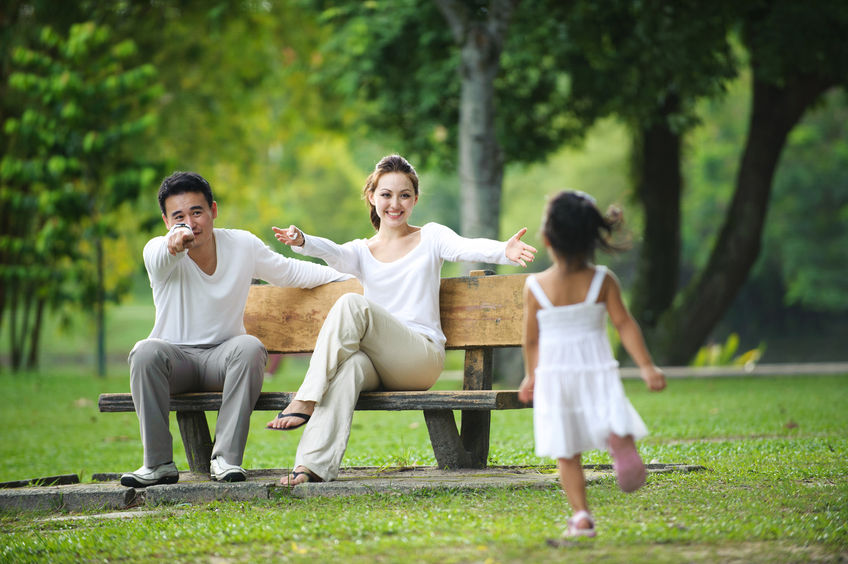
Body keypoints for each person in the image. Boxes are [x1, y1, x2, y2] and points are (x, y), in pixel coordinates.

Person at [265, 154, 537, 485]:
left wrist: (502, 250)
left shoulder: (431, 237)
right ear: (372, 197)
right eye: (386, 194)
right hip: (379, 365)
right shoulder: (361, 251)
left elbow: (464, 247)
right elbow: (332, 252)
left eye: (404, 195)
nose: (395, 204)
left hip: (421, 358)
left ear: (415, 199)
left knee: (352, 303)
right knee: (348, 370)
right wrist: (303, 241)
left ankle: (305, 398)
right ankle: (311, 467)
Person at [120, 171, 347, 488]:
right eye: (179, 217)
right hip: (176, 363)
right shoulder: (157, 251)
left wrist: (349, 276)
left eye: (197, 212)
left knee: (250, 346)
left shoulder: (242, 244)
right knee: (144, 352)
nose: (190, 223)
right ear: (166, 221)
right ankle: (157, 464)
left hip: (223, 361)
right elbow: (162, 255)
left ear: (213, 210)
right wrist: (174, 242)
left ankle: (225, 459)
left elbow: (291, 272)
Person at [518, 190, 666, 538]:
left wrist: (530, 375)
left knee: (566, 450)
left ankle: (582, 516)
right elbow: (624, 324)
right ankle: (619, 438)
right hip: (596, 368)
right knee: (606, 411)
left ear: (547, 239)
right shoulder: (603, 280)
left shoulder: (535, 287)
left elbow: (531, 340)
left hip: (555, 375)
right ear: (591, 239)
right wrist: (646, 366)